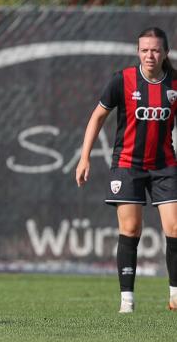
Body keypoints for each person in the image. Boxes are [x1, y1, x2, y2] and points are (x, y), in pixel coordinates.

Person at [76, 27, 177, 313]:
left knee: (175, 227)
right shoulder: (122, 80)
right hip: (128, 165)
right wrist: (84, 158)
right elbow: (97, 117)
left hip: (165, 165)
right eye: (144, 50)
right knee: (131, 229)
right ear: (137, 52)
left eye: (155, 50)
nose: (149, 55)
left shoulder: (174, 83)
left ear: (165, 53)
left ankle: (175, 295)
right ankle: (127, 301)